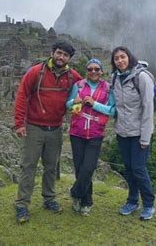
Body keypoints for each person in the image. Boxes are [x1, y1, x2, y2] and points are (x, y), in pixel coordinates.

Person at [14, 40, 82, 224]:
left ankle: (49, 199)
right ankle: (22, 204)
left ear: (69, 59)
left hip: (56, 128)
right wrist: (19, 123)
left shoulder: (72, 76)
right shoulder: (37, 71)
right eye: (59, 53)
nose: (61, 57)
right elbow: (22, 94)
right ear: (52, 53)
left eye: (65, 55)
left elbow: (86, 87)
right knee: (29, 166)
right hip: (34, 127)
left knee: (51, 166)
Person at [111, 46, 156, 220]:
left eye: (123, 57)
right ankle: (132, 201)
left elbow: (148, 108)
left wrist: (145, 137)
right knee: (129, 170)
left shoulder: (141, 77)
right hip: (122, 132)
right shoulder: (115, 78)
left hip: (139, 133)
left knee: (139, 169)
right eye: (116, 58)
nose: (120, 61)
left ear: (129, 57)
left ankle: (149, 204)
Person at [66, 58, 115, 216]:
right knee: (80, 169)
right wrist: (75, 101)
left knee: (88, 168)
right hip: (77, 132)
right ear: (86, 71)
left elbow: (112, 110)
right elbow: (68, 105)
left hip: (95, 133)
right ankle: (86, 202)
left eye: (96, 69)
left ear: (101, 71)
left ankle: (75, 193)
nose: (93, 72)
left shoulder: (108, 88)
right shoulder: (79, 85)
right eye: (90, 69)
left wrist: (94, 104)